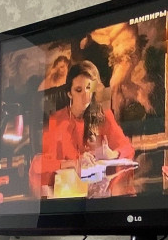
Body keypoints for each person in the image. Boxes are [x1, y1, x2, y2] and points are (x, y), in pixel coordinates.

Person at [30, 62, 136, 197]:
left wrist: (112, 154)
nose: (85, 96)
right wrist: (72, 163)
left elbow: (127, 149)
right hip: (71, 191)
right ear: (69, 93)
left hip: (100, 192)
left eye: (88, 88)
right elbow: (40, 164)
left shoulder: (104, 116)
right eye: (78, 90)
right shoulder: (57, 120)